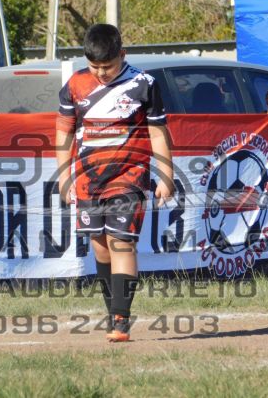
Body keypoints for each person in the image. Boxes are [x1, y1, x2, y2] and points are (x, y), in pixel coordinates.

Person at [55, 24, 174, 342]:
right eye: (95, 66)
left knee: (122, 242)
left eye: (107, 66)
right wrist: (64, 177)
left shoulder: (143, 84)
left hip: (129, 176)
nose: (101, 73)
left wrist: (166, 175)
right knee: (101, 248)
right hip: (88, 179)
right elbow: (64, 133)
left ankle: (121, 319)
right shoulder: (75, 84)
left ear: (123, 54)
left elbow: (158, 133)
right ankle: (113, 314)